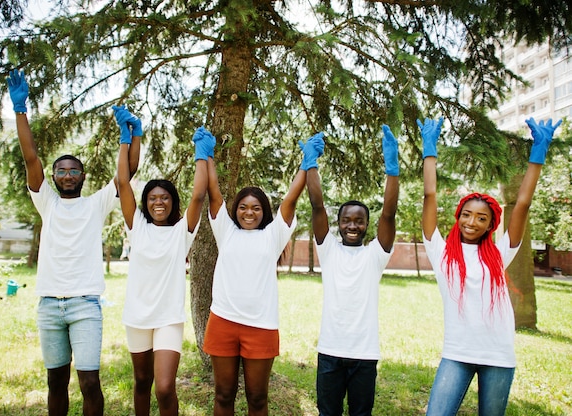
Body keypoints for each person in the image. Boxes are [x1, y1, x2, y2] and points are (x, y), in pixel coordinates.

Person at [6, 69, 141, 416]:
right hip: (49, 305)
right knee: (55, 382)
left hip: (85, 306)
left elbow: (126, 177)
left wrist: (129, 138)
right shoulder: (46, 202)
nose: (67, 175)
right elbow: (30, 157)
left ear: (83, 176)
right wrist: (20, 110)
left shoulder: (94, 205)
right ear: (53, 178)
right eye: (61, 171)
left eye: (73, 171)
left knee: (89, 383)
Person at [421, 117, 562, 416]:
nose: (472, 222)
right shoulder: (441, 252)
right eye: (467, 215)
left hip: (498, 355)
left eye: (481, 218)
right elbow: (429, 195)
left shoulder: (499, 255)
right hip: (457, 354)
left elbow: (522, 204)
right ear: (458, 217)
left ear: (490, 226)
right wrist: (429, 151)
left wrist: (538, 153)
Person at [201, 128, 316, 416]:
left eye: (255, 208)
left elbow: (289, 200)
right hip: (223, 321)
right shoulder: (225, 231)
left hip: (261, 326)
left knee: (258, 398)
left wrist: (306, 164)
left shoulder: (273, 235)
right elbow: (214, 194)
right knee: (224, 394)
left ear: (264, 211)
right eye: (242, 207)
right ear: (235, 210)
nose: (248, 212)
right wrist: (207, 157)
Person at [116, 123, 212, 416]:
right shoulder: (137, 228)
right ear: (146, 203)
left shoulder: (182, 231)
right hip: (137, 316)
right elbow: (122, 184)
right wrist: (126, 139)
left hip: (168, 318)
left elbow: (198, 196)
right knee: (142, 381)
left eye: (165, 197)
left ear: (172, 202)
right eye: (153, 198)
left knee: (164, 387)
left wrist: (201, 155)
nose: (159, 202)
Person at [307, 127, 399, 416]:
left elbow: (389, 212)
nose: (352, 226)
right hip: (331, 352)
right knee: (328, 413)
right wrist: (310, 163)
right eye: (346, 220)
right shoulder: (328, 249)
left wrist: (392, 170)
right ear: (338, 223)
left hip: (364, 354)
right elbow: (317, 205)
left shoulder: (375, 254)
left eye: (359, 221)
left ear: (367, 225)